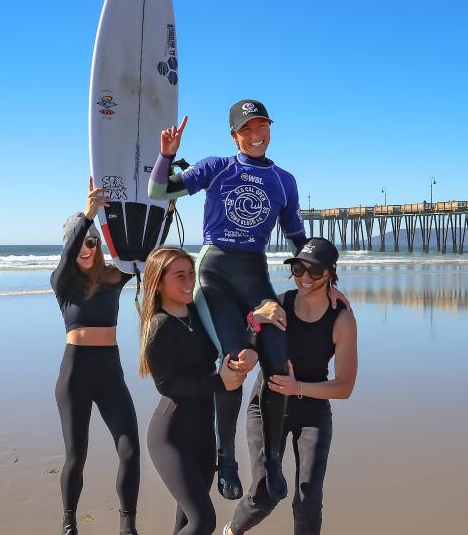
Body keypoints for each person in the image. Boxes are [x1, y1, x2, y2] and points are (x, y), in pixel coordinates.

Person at [148, 100, 349, 502]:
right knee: (236, 360)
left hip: (254, 272)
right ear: (234, 135)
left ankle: (272, 457)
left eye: (263, 127)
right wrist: (166, 154)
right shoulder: (216, 166)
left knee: (278, 354)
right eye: (248, 129)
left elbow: (298, 239)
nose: (257, 135)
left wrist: (326, 281)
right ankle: (227, 459)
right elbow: (159, 189)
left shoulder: (283, 180)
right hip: (216, 271)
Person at [225, 237, 358, 535]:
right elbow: (254, 347)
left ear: (330, 274)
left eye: (315, 272)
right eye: (298, 269)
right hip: (267, 407)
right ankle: (231, 531)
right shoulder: (279, 307)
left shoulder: (342, 321)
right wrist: (246, 357)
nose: (305, 278)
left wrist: (298, 387)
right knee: (264, 494)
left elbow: (345, 386)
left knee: (308, 500)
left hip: (312, 411)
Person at [139, 247, 248, 535]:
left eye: (191, 274)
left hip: (203, 432)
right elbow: (166, 384)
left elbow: (236, 321)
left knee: (186, 523)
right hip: (170, 436)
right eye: (179, 276)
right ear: (158, 283)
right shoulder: (159, 326)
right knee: (203, 521)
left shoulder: (198, 313)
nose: (189, 282)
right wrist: (218, 382)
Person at [52, 180, 139, 535]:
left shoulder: (115, 276)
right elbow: (71, 245)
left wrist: (161, 211)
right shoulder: (62, 282)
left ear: (99, 243)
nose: (85, 249)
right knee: (77, 456)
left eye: (91, 241)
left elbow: (145, 252)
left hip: (110, 374)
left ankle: (127, 526)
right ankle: (69, 521)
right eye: (79, 244)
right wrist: (87, 216)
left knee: (130, 450)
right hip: (74, 376)